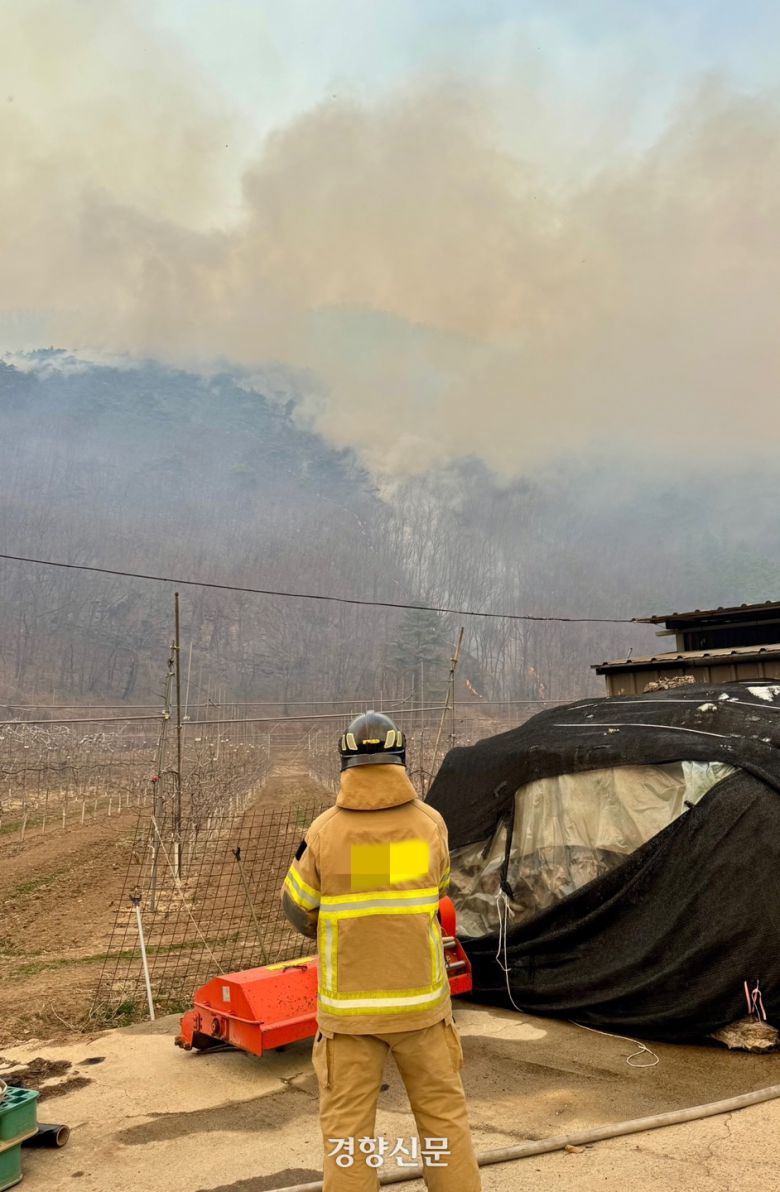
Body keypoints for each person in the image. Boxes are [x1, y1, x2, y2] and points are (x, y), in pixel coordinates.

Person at [281, 710, 482, 1191]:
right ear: (402, 759)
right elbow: (436, 890)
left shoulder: (325, 833)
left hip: (350, 1017)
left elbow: (297, 908)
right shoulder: (430, 825)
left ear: (345, 763)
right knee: (444, 1124)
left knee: (349, 1135)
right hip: (422, 1009)